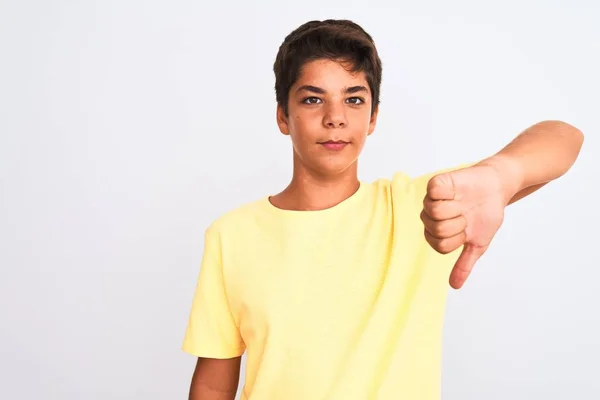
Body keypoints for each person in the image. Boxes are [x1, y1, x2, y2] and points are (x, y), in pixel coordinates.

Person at [181, 19, 583, 400]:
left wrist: (499, 176)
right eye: (312, 99)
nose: (335, 117)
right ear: (283, 116)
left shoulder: (421, 205)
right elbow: (214, 386)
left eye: (353, 99)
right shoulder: (231, 236)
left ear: (372, 117)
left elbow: (565, 138)